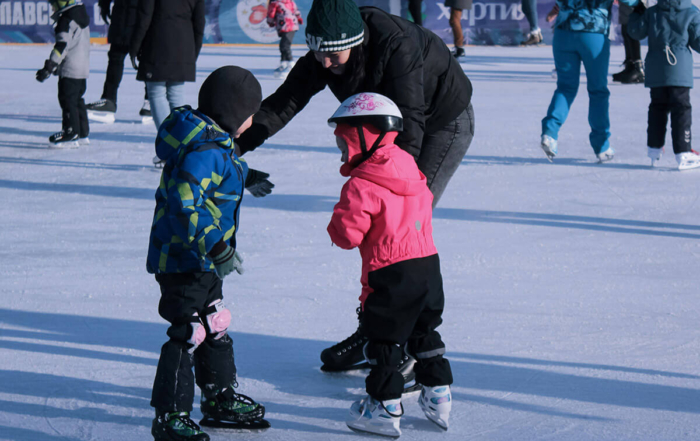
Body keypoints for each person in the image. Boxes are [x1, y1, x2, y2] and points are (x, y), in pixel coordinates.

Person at [235, 0, 473, 375]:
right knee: (378, 239)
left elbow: (409, 124)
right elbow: (284, 103)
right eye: (317, 54)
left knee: (401, 233)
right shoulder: (325, 52)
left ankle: (409, 350)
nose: (325, 64)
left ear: (357, 41)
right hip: (389, 131)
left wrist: (379, 180)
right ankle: (375, 332)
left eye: (333, 56)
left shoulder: (396, 46)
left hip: (441, 121)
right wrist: (234, 146)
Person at [147, 66, 274, 441]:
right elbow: (186, 202)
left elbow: (221, 166)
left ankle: (218, 396)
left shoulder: (213, 142)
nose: (252, 120)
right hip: (185, 260)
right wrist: (217, 246)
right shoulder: (203, 150)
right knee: (189, 332)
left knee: (215, 323)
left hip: (203, 261)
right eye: (251, 113)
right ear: (235, 115)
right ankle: (170, 414)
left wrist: (245, 175)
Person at [327, 93, 453, 437]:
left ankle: (383, 408)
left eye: (344, 140)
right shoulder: (411, 169)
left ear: (364, 135)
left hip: (391, 272)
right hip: (429, 268)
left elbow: (347, 235)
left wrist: (337, 220)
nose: (341, 148)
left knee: (386, 341)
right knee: (424, 331)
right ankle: (439, 394)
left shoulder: (362, 183)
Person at [540, 0, 639, 163]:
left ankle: (550, 133)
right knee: (598, 90)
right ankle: (601, 146)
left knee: (565, 87)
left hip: (563, 33)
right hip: (593, 34)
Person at [130, 0, 205, 166]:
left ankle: (170, 148)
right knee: (176, 95)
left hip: (157, 44)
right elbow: (199, 23)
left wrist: (134, 47)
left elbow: (144, 17)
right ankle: (180, 146)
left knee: (156, 93)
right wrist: (193, 52)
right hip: (184, 46)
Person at [628, 0, 700, 170]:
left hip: (656, 69)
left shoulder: (652, 12)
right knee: (681, 109)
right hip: (679, 69)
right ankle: (683, 151)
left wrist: (636, 12)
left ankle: (654, 147)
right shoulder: (691, 11)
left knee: (657, 107)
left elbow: (635, 32)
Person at [85, 0, 152, 124]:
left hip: (142, 15)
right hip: (125, 15)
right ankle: (109, 100)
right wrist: (103, 5)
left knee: (145, 57)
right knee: (118, 56)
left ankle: (150, 102)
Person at [35, 0, 90, 148]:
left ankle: (70, 132)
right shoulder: (80, 14)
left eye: (53, 3)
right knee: (77, 99)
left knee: (68, 100)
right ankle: (83, 133)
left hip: (71, 68)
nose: (52, 7)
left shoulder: (66, 20)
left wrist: (49, 67)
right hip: (83, 67)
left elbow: (62, 46)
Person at [267, 0, 303, 80]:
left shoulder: (275, 3)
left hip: (288, 26)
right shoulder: (289, 1)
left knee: (284, 46)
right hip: (289, 26)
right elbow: (296, 10)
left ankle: (291, 64)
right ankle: (283, 63)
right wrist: (298, 17)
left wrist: (270, 22)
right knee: (283, 45)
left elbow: (271, 14)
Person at [612, 3, 645, 84]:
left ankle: (638, 68)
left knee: (631, 30)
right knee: (625, 29)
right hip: (625, 4)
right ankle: (630, 65)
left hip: (633, 3)